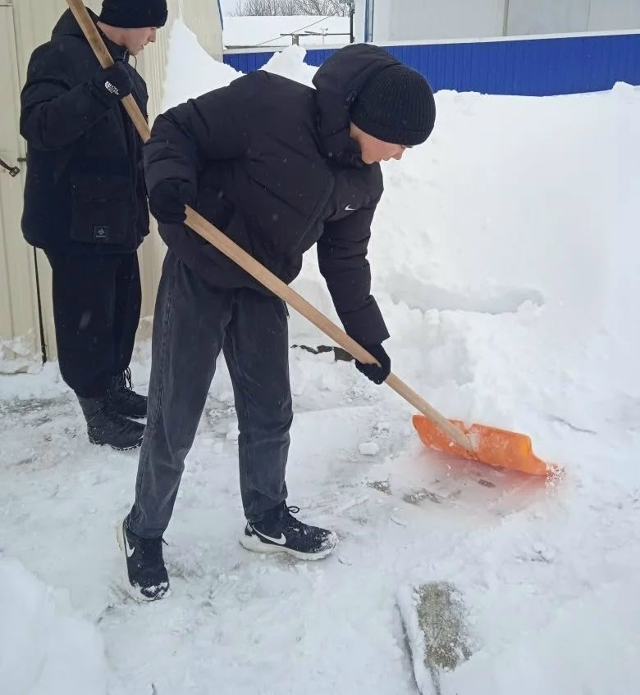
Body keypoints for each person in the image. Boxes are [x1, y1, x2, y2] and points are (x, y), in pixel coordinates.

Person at [118, 43, 436, 600]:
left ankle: (266, 517)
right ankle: (142, 530)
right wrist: (166, 181)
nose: (401, 155)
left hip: (264, 284)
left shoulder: (363, 182)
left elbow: (345, 260)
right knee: (176, 412)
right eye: (400, 143)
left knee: (271, 412)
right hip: (201, 267)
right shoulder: (269, 105)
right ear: (368, 121)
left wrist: (367, 336)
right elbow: (174, 130)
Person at [20, 0, 168, 451]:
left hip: (120, 218)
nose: (151, 37)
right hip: (74, 221)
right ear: (128, 18)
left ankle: (113, 391)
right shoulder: (57, 58)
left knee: (121, 311)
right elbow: (39, 126)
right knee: (86, 318)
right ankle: (96, 412)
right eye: (150, 26)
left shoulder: (127, 73)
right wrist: (99, 90)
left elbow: (136, 145)